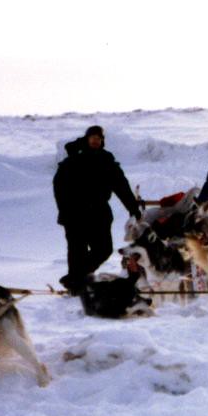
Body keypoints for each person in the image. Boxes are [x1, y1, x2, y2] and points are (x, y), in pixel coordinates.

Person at [52, 125, 141, 292]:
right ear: (86, 139)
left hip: (99, 213)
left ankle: (75, 279)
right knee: (76, 252)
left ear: (102, 141)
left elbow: (121, 186)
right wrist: (64, 209)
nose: (95, 141)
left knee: (104, 249)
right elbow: (59, 187)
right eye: (92, 137)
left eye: (98, 138)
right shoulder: (72, 161)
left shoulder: (106, 160)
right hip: (74, 214)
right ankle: (76, 287)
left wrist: (133, 208)